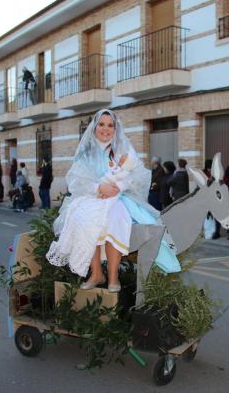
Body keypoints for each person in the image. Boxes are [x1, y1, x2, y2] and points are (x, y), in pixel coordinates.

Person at [46, 109, 181, 293]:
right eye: (101, 124)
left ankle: (113, 276)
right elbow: (75, 180)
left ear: (115, 129)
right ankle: (96, 273)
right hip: (91, 197)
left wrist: (119, 186)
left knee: (115, 217)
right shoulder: (86, 152)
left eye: (110, 125)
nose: (105, 129)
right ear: (94, 127)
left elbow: (139, 175)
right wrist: (98, 188)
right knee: (83, 218)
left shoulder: (122, 149)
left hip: (118, 198)